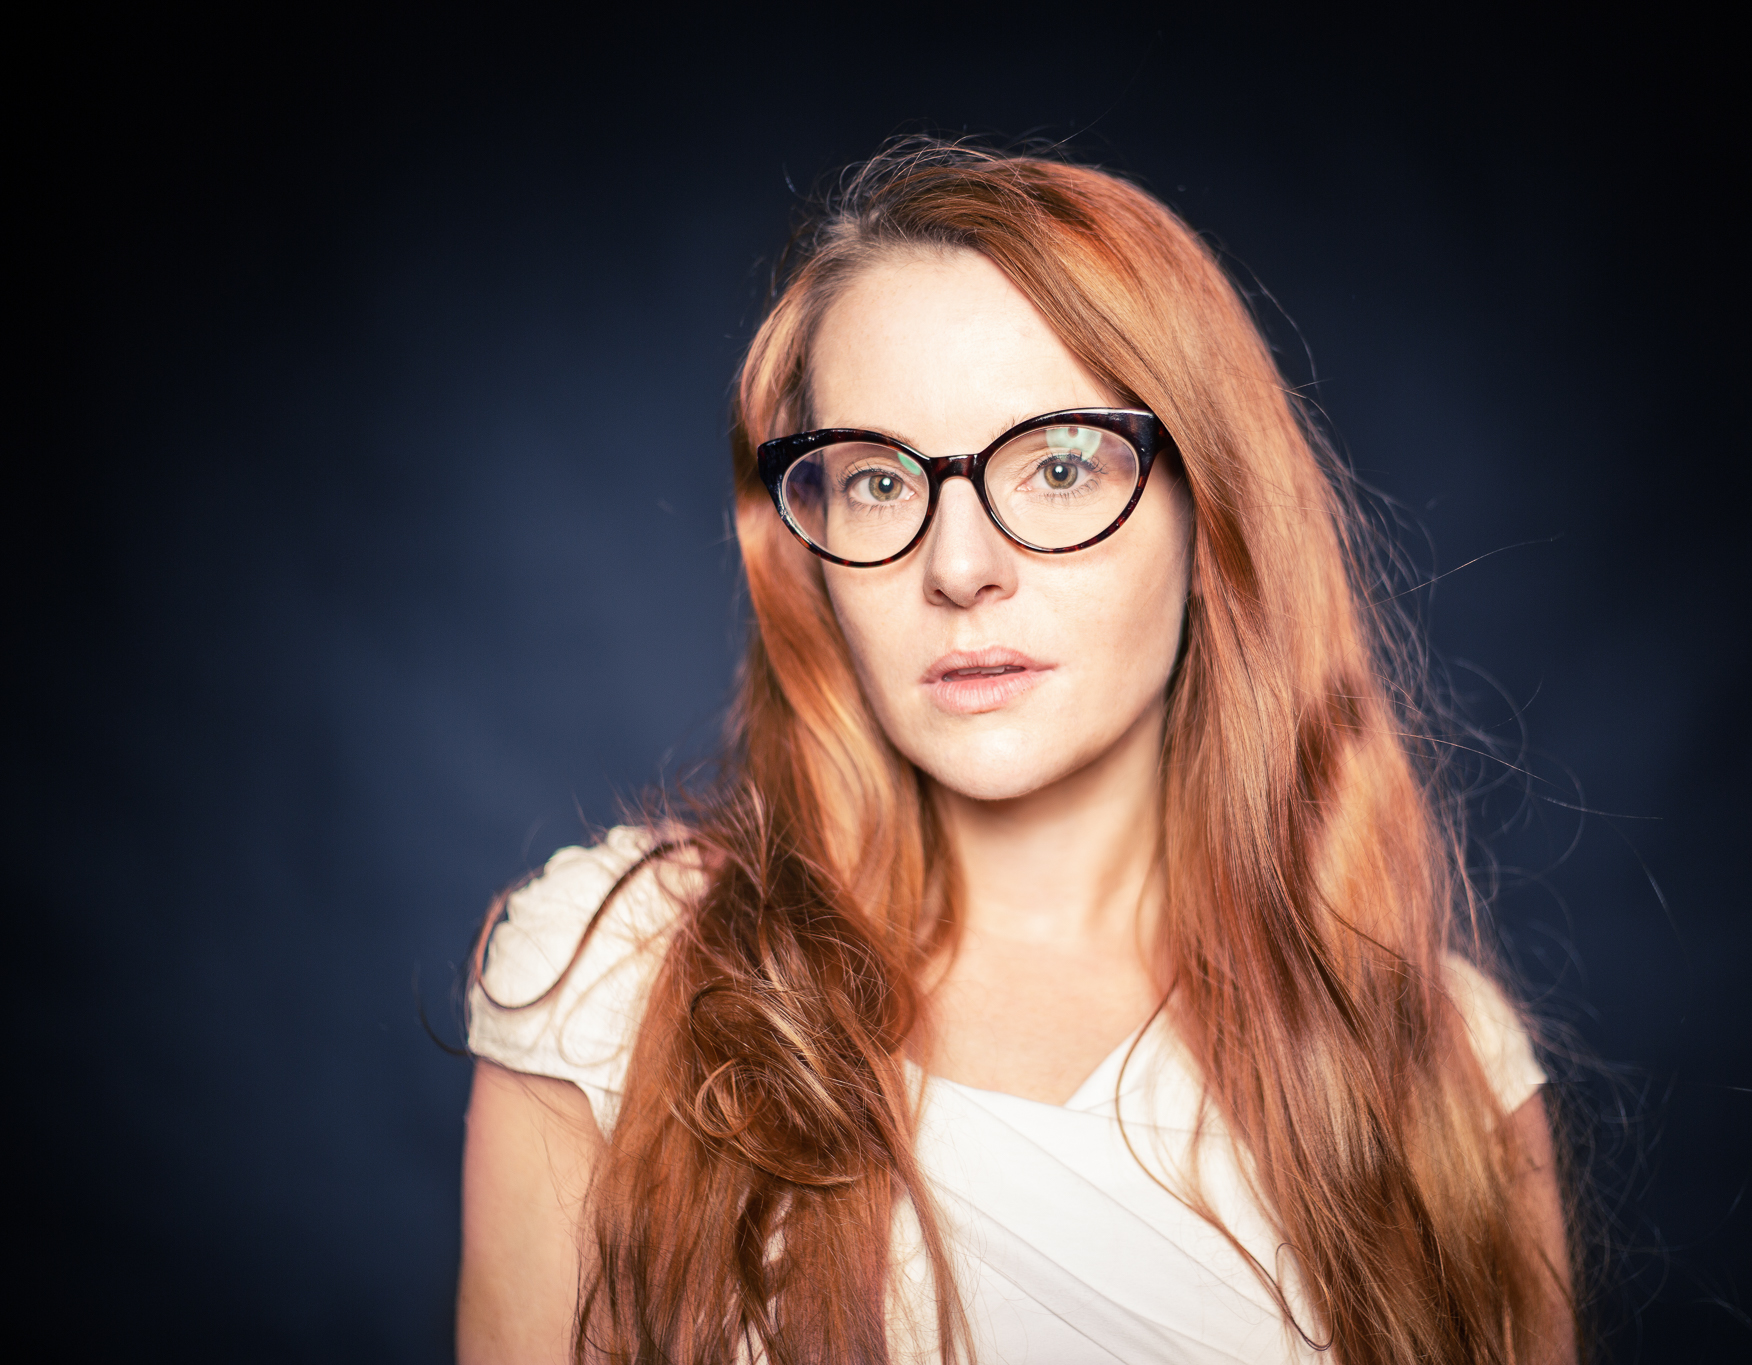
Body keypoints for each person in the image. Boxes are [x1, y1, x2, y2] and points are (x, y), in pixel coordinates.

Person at [457, 139, 1577, 1364]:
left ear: (1213, 505)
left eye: (1057, 466)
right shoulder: (617, 986)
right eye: (878, 483)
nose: (957, 567)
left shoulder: (1438, 1063)